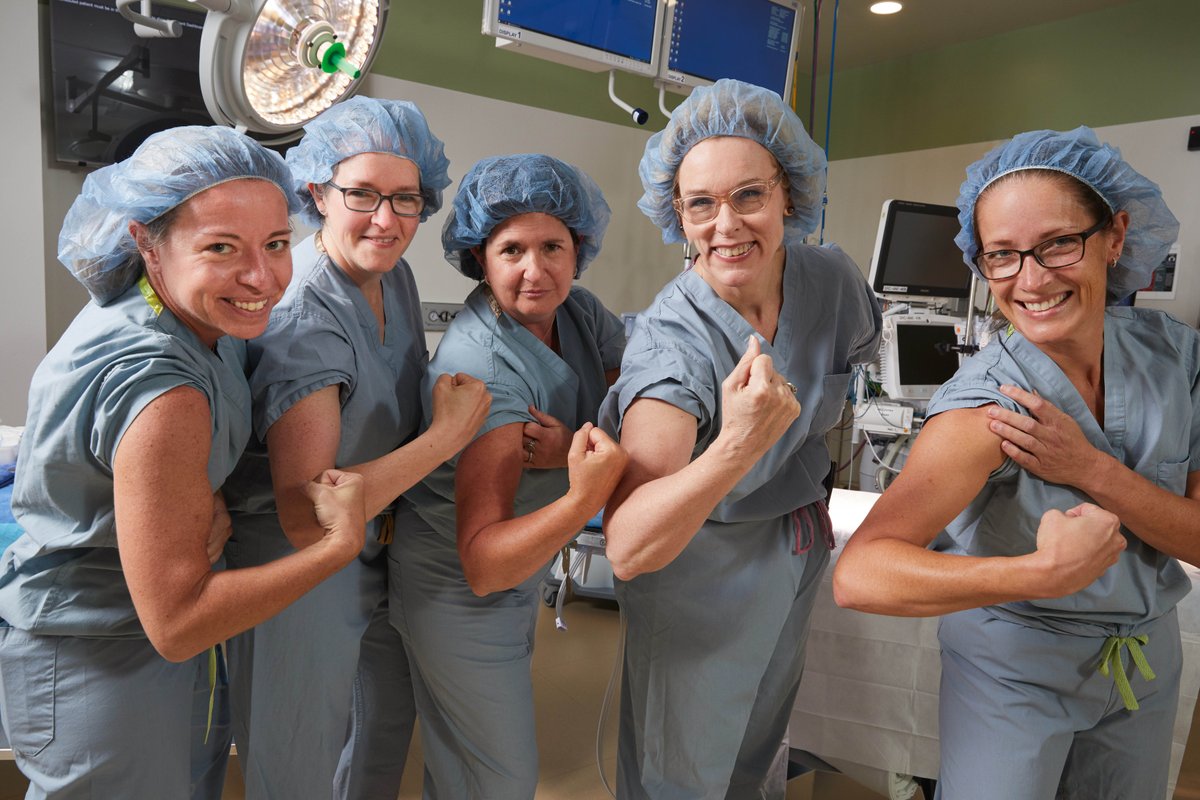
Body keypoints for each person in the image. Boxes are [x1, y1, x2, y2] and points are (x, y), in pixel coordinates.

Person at [0, 125, 370, 799]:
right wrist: (336, 547)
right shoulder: (160, 384)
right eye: (221, 247)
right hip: (105, 661)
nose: (262, 278)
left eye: (278, 244)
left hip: (151, 654)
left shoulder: (199, 320)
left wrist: (200, 495)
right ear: (147, 242)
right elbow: (176, 625)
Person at [833, 126, 1193, 799]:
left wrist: (1093, 471)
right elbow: (860, 574)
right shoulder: (984, 410)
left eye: (1059, 243)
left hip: (1141, 667)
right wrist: (1038, 572)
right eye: (1001, 255)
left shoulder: (1175, 359)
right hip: (1014, 672)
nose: (1030, 279)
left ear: (1114, 236)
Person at [598, 78, 883, 798]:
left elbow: (848, 364)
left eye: (748, 196)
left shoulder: (834, 281)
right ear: (678, 215)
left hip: (794, 546)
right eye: (701, 205)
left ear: (789, 194)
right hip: (699, 568)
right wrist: (737, 445)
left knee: (758, 759)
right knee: (684, 772)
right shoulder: (673, 347)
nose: (725, 225)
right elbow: (629, 545)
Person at [222, 96, 490, 800]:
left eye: (406, 200)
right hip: (298, 571)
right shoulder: (307, 317)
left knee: (375, 744)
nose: (386, 219)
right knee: (298, 769)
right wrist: (447, 437)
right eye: (362, 194)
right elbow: (309, 512)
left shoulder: (390, 277)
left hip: (373, 555)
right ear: (315, 191)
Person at [390, 153, 628, 798]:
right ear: (479, 257)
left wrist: (566, 450)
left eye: (553, 246)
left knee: (465, 767)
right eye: (512, 250)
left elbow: (624, 398)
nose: (535, 270)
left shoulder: (579, 314)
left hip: (522, 569)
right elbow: (484, 565)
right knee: (498, 779)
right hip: (459, 589)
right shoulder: (482, 369)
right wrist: (586, 491)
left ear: (579, 248)